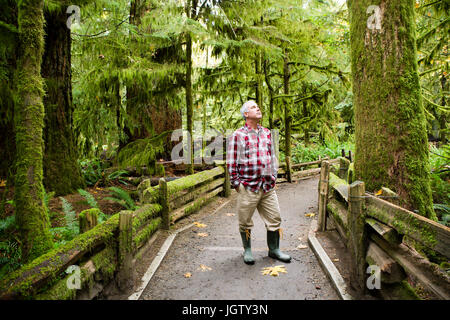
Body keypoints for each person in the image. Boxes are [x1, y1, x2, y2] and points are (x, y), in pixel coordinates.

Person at [226, 100, 291, 265]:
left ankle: (274, 249)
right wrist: (237, 183)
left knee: (275, 218)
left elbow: (273, 156)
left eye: (258, 106)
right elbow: (231, 162)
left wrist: (274, 175)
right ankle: (247, 249)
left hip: (267, 186)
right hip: (248, 186)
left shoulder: (267, 133)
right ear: (246, 114)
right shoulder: (238, 135)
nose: (258, 108)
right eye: (253, 107)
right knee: (245, 221)